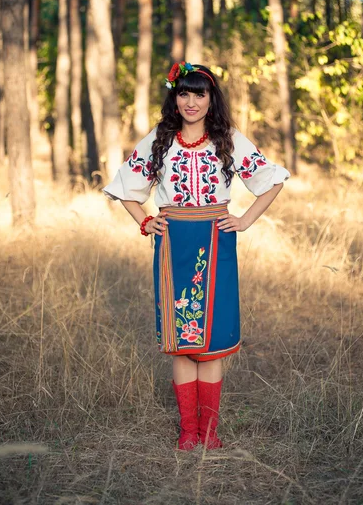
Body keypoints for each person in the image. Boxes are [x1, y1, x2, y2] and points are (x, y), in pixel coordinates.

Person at [103, 62, 290, 450]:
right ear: (174, 97)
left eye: (199, 93)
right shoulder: (160, 139)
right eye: (183, 93)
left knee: (212, 342)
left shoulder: (228, 138)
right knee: (183, 340)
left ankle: (210, 433)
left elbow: (271, 179)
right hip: (173, 244)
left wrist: (245, 220)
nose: (191, 101)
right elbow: (125, 185)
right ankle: (188, 430)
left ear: (211, 98)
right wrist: (144, 221)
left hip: (216, 239)